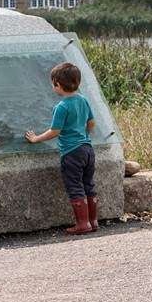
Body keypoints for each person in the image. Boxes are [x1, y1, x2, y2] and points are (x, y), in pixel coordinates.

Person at [25, 61, 97, 236]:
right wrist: (83, 134)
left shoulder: (62, 107)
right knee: (88, 185)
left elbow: (54, 131)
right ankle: (93, 221)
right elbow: (91, 123)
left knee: (75, 186)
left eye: (53, 83)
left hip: (71, 153)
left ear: (58, 84)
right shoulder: (83, 100)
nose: (53, 86)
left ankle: (82, 224)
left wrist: (36, 139)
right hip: (88, 149)